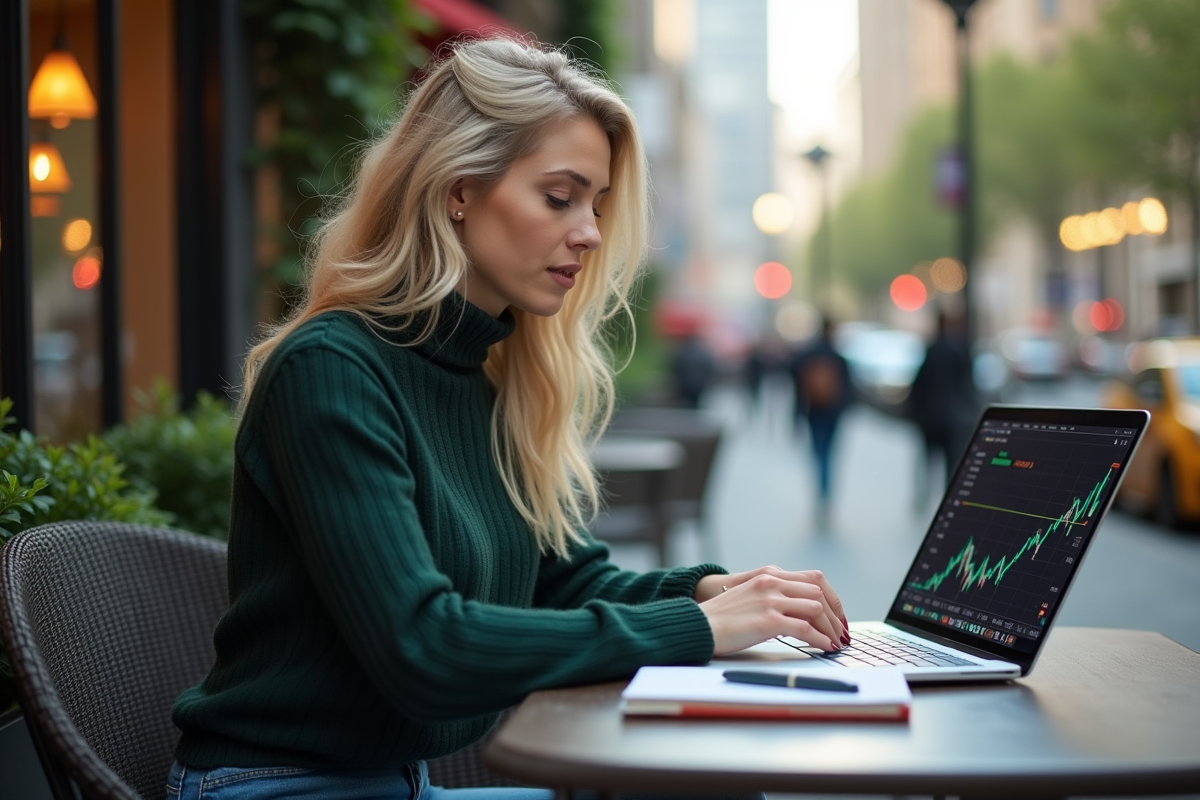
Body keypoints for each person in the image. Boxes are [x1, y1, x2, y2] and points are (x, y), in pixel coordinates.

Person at [166, 38, 849, 800]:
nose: (589, 231)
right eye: (560, 197)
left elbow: (560, 579)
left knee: (709, 786)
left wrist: (709, 593)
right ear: (459, 188)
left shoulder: (485, 377)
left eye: (597, 203)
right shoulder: (333, 370)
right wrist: (701, 632)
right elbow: (423, 649)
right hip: (275, 786)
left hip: (397, 782)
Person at [907, 310, 979, 508]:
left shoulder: (931, 350)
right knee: (951, 462)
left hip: (929, 418)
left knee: (926, 460)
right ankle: (949, 499)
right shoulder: (957, 350)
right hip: (951, 418)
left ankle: (922, 497)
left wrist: (914, 412)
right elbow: (966, 386)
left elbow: (918, 385)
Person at [791, 318, 853, 527]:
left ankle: (820, 495)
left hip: (814, 412)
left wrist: (796, 415)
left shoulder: (809, 354)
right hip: (832, 413)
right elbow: (848, 389)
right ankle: (826, 497)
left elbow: (796, 382)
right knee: (830, 455)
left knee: (819, 453)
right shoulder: (838, 356)